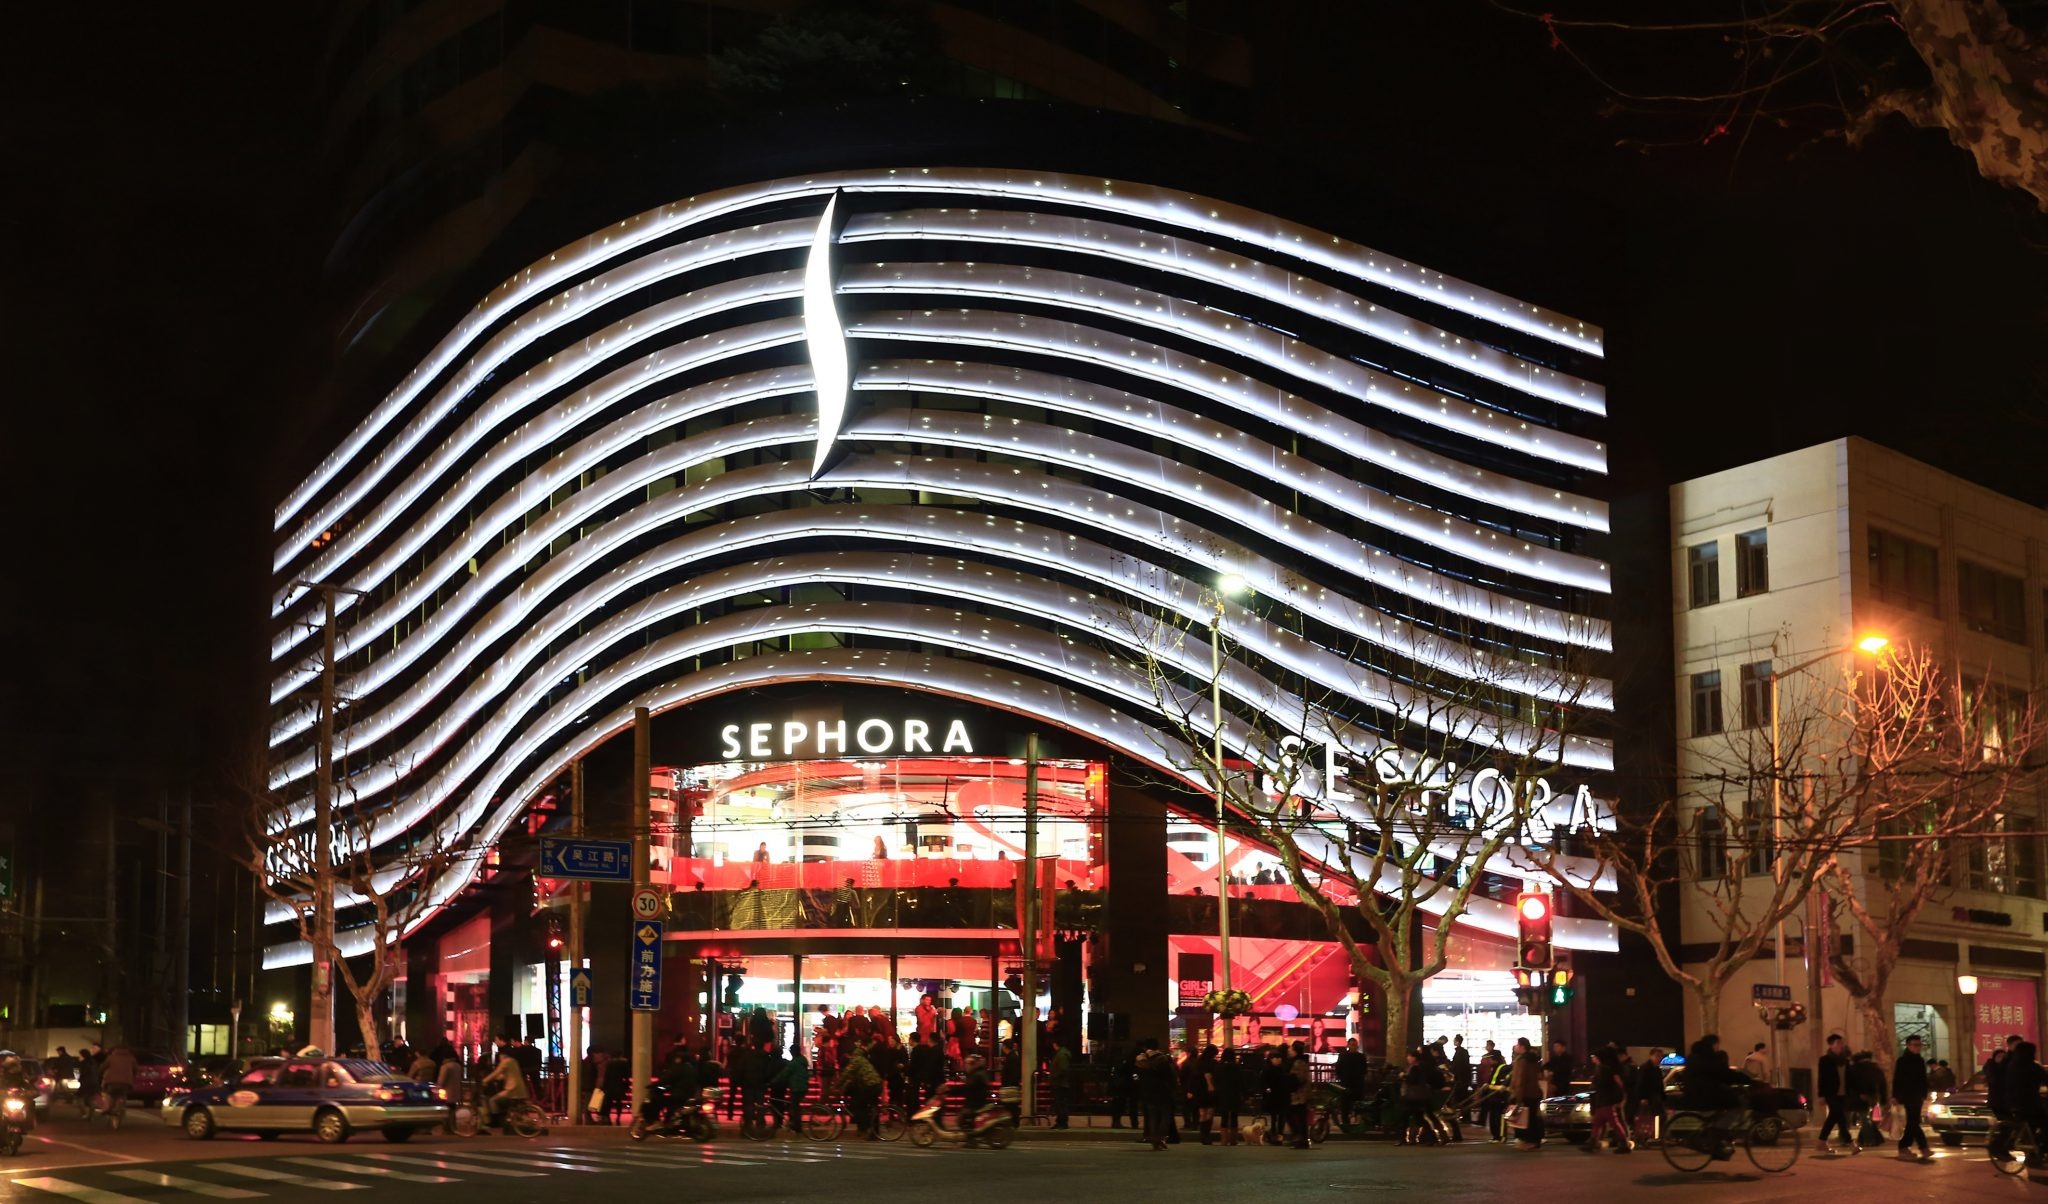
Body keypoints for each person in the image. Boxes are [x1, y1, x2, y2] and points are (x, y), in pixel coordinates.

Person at [1583, 1046, 1632, 1154]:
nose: (1593, 1059)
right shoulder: (1605, 1068)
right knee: (1598, 1123)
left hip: (1605, 1100)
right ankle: (1592, 1143)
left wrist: (1594, 1082)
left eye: (1594, 1057)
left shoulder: (1603, 1069)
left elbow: (1603, 1084)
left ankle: (1623, 1143)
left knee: (1613, 1123)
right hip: (1604, 1100)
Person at [1892, 1034, 1931, 1160]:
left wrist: (1923, 1094)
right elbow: (1897, 1080)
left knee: (1913, 1122)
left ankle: (1910, 1147)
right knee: (1914, 1122)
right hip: (1906, 1095)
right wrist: (1895, 1096)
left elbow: (1923, 1079)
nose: (1918, 1047)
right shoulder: (1902, 1061)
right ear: (1908, 1046)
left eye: (1919, 1045)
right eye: (1915, 1045)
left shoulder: (1920, 1061)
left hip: (1917, 1096)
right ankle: (1919, 1147)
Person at [836, 1040, 883, 1139]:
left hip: (871, 1085)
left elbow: (846, 1073)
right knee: (873, 1107)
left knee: (860, 1105)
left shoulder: (856, 1060)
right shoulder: (861, 1058)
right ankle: (875, 1132)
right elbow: (853, 1075)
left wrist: (837, 1085)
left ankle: (865, 1126)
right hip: (876, 1084)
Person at [1136, 1041, 1178, 1151]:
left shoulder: (1141, 1060)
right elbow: (1170, 1076)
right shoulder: (1163, 1059)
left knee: (1152, 1117)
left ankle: (1154, 1138)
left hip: (1148, 1092)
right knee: (1165, 1116)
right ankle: (1160, 1137)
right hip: (1163, 1091)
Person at [1816, 1033, 1854, 1154]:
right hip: (1831, 1093)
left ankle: (1821, 1142)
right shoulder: (1825, 1060)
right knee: (1840, 1117)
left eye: (1841, 1043)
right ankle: (1851, 1143)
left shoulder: (1846, 1060)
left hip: (1843, 1094)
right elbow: (1821, 1078)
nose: (1840, 1045)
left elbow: (1849, 1078)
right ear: (1831, 1045)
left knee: (1834, 1117)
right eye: (1838, 1043)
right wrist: (1821, 1095)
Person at [480, 1043, 530, 1132]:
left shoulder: (505, 1061)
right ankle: (505, 1117)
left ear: (503, 1055)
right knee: (501, 1101)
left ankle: (495, 1122)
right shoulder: (513, 1061)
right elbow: (504, 1075)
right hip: (520, 1089)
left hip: (512, 1090)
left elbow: (496, 1073)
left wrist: (485, 1080)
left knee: (493, 1100)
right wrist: (497, 1078)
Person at [1508, 1037, 1545, 1150]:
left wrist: (1517, 1096)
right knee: (1532, 1118)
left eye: (1517, 1045)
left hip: (1525, 1093)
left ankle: (1529, 1141)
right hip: (1534, 1092)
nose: (1516, 1047)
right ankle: (1534, 1141)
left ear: (1522, 1046)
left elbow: (1520, 1079)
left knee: (1525, 1119)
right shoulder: (1534, 1059)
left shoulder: (1522, 1060)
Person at [768, 1043, 808, 1134]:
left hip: (796, 1087)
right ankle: (793, 1124)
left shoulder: (793, 1063)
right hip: (801, 1086)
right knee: (792, 1105)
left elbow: (784, 1074)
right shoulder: (802, 1061)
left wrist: (772, 1082)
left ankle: (797, 1126)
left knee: (793, 1107)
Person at [1632, 1047, 1668, 1145]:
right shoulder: (1645, 1067)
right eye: (1657, 1056)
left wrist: (1662, 1096)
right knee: (1645, 1119)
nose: (1659, 1058)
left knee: (1660, 1117)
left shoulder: (1656, 1068)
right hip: (1648, 1098)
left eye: (1660, 1056)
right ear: (1651, 1056)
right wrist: (1642, 1098)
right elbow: (1641, 1083)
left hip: (1655, 1097)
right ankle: (1642, 1139)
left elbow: (1659, 1084)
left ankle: (1656, 1137)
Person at [1334, 1037, 1369, 1128]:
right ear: (1348, 1045)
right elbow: (1338, 1068)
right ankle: (1346, 1124)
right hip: (1346, 1084)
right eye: (1352, 1045)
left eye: (1355, 1045)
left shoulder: (1361, 1057)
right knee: (1345, 1105)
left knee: (1358, 1104)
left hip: (1357, 1084)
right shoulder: (1343, 1056)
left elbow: (1364, 1070)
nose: (1354, 1047)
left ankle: (1358, 1123)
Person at [100, 1044, 137, 1128]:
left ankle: (108, 1109)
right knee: (122, 1096)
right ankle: (118, 1110)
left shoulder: (111, 1057)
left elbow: (102, 1068)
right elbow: (135, 1070)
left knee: (109, 1095)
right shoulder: (131, 1058)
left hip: (111, 1082)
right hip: (126, 1083)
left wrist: (101, 1074)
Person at [1047, 1038, 1074, 1130]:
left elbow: (1063, 1069)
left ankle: (1062, 1122)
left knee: (1060, 1103)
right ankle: (1060, 1122)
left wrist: (1053, 1076)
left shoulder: (1061, 1055)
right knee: (1060, 1104)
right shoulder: (1062, 1054)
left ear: (1055, 1044)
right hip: (1060, 1083)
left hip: (1060, 1083)